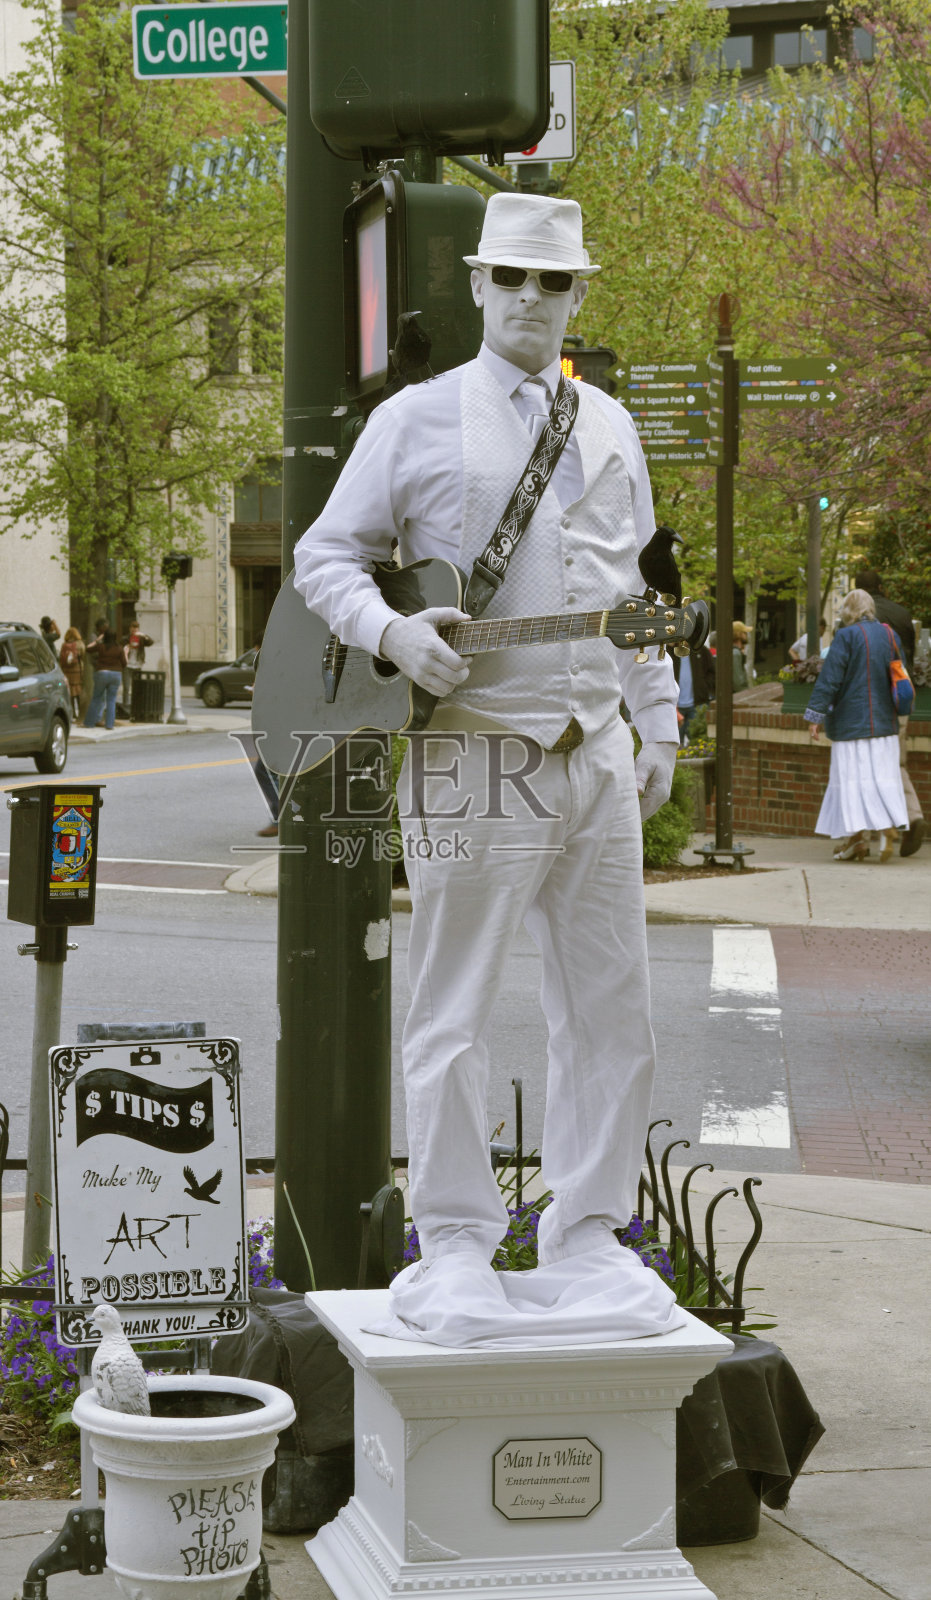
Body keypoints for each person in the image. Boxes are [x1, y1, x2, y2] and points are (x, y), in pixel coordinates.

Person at [293, 192, 684, 1347]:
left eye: (549, 280)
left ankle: (587, 1232)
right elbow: (324, 553)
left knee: (613, 1006)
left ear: (575, 293)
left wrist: (656, 719)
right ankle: (456, 1238)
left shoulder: (611, 423)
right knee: (452, 1005)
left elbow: (639, 590)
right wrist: (386, 631)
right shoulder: (413, 420)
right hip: (471, 745)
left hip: (594, 750)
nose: (526, 297)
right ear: (473, 285)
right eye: (507, 276)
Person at [803, 589, 908, 861]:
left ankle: (857, 838)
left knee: (851, 782)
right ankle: (884, 829)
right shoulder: (890, 635)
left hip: (851, 726)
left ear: (847, 612)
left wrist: (815, 717)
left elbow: (830, 679)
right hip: (884, 725)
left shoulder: (846, 636)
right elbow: (900, 674)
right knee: (882, 778)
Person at [852, 566, 924, 855]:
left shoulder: (854, 620)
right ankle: (913, 815)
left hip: (869, 703)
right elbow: (910, 656)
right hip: (898, 698)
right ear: (881, 587)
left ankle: (864, 834)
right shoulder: (901, 614)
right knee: (896, 763)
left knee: (865, 766)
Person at [83, 626, 127, 730]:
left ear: (105, 637)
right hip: (116, 674)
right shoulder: (119, 648)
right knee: (111, 700)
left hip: (102, 673)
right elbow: (124, 664)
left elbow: (87, 648)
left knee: (96, 698)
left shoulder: (101, 646)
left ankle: (89, 723)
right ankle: (109, 724)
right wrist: (126, 653)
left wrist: (97, 641)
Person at [673, 643, 714, 746]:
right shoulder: (669, 651)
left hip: (697, 704)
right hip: (675, 707)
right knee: (674, 745)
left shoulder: (701, 650)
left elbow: (711, 671)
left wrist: (705, 687)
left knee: (698, 743)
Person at [59, 626, 85, 720]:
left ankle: (73, 712)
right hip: (77, 669)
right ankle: (80, 712)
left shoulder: (64, 645)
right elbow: (83, 655)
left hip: (66, 670)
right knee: (78, 690)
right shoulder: (79, 644)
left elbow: (61, 658)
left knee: (70, 691)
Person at [732, 620, 751, 690]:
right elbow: (738, 681)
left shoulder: (736, 651)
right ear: (738, 634)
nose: (746, 635)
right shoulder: (735, 653)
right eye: (744, 632)